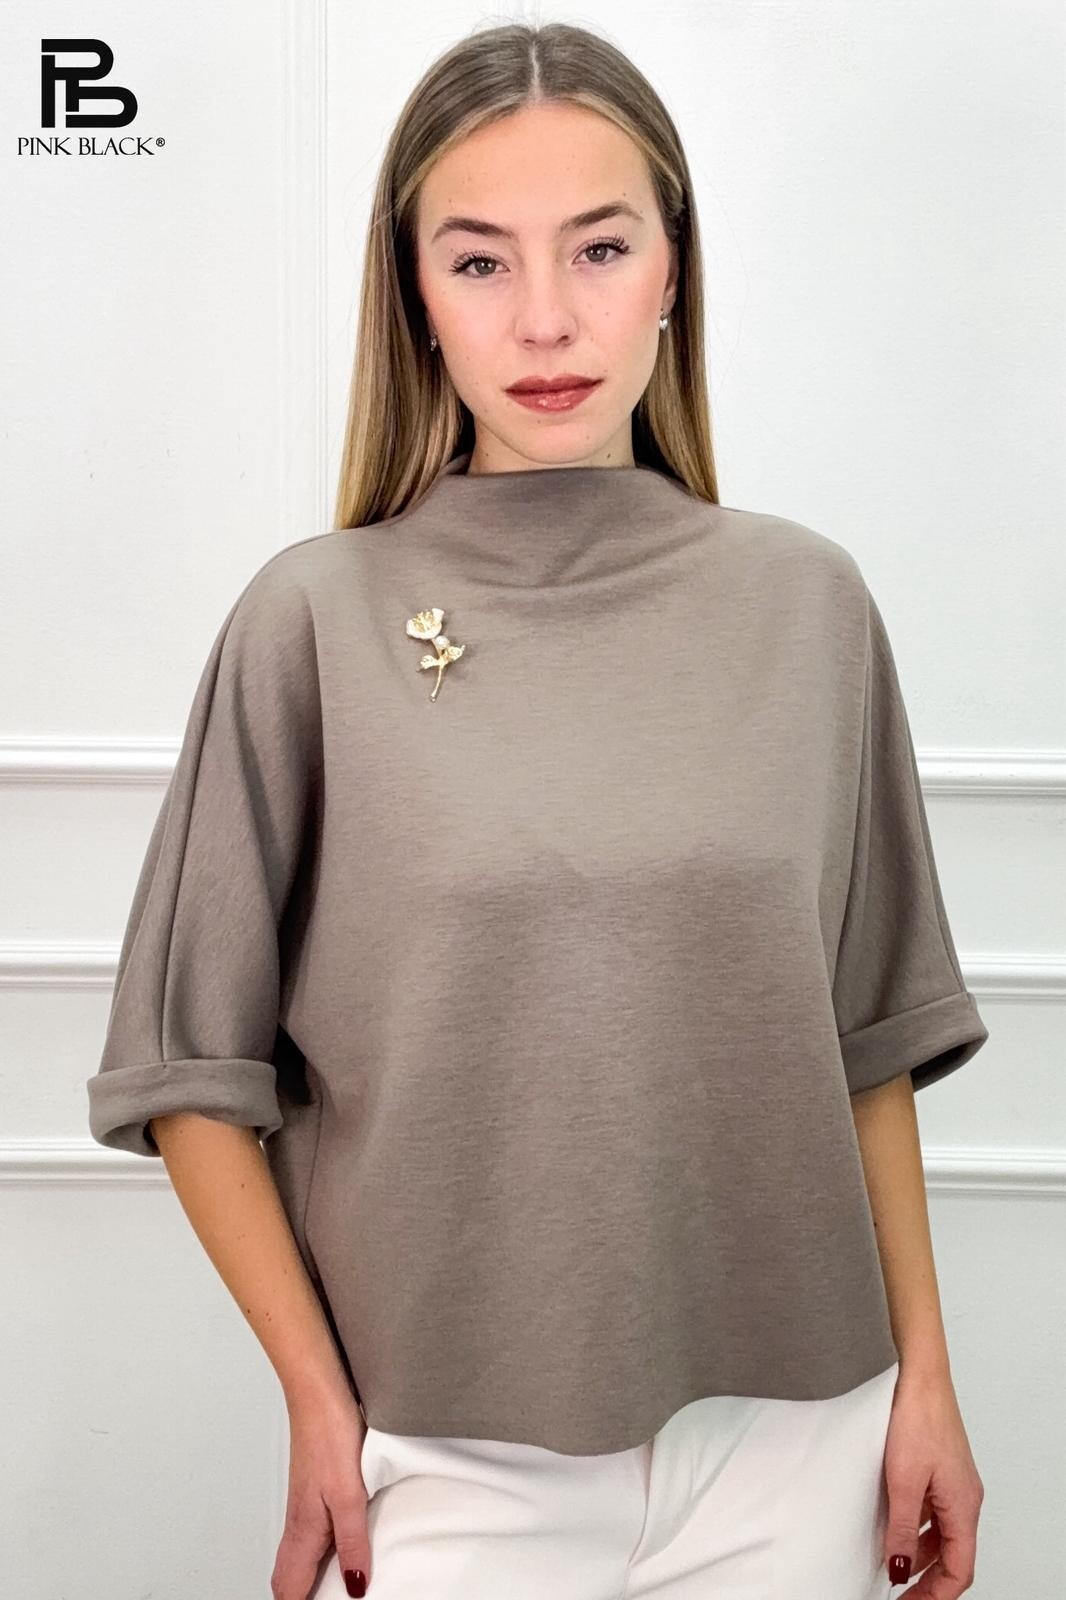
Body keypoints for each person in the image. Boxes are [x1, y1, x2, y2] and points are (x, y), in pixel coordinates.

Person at [86, 20, 989, 1600]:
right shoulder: (313, 622)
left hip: (798, 1443)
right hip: (446, 1460)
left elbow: (865, 1043)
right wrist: (319, 1408)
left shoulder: (807, 607)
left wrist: (926, 1378)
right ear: (414, 295)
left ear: (673, 266)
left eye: (599, 246)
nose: (548, 318)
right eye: (480, 261)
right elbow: (187, 1074)